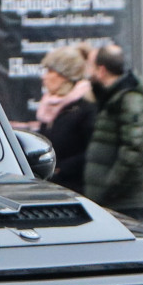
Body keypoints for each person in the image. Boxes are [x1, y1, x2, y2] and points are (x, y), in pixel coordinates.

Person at [82, 41, 143, 224]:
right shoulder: (109, 97)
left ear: (101, 70)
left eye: (90, 66)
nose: (87, 72)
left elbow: (134, 150)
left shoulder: (130, 101)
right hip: (108, 199)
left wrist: (109, 187)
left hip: (124, 202)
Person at [17, 43, 94, 197]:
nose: (43, 76)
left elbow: (92, 152)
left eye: (50, 71)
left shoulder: (87, 106)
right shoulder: (49, 104)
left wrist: (61, 168)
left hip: (77, 191)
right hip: (52, 186)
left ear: (66, 76)